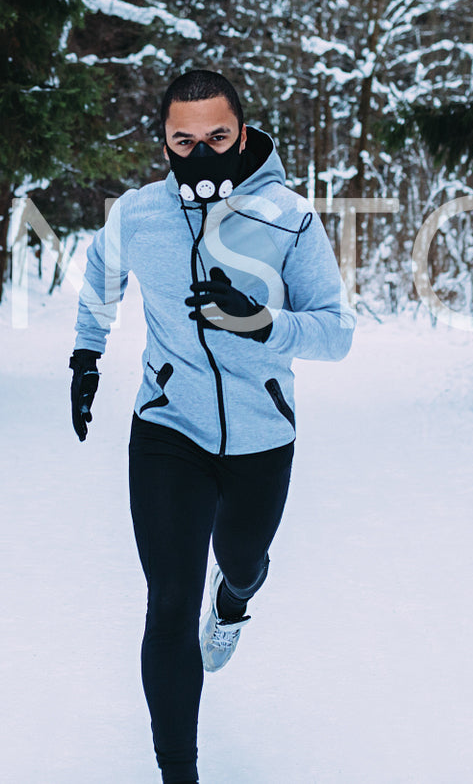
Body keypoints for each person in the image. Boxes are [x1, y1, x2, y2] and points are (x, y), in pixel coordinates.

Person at [68, 69, 355, 784]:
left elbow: (335, 332)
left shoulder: (288, 218)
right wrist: (85, 354)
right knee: (167, 603)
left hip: (261, 435)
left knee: (242, 559)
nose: (200, 155)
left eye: (217, 138)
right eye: (183, 140)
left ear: (242, 132)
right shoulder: (138, 215)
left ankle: (234, 599)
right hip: (168, 427)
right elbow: (101, 274)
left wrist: (261, 323)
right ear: (163, 141)